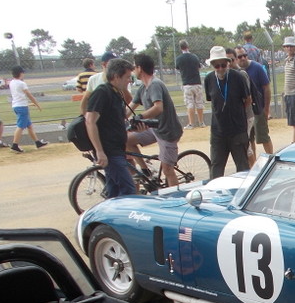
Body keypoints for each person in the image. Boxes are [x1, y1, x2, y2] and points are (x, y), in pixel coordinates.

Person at [84, 58, 137, 198]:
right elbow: (90, 121)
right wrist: (100, 151)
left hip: (117, 149)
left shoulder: (116, 93)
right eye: (127, 77)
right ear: (115, 76)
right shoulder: (102, 92)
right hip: (110, 152)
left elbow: (116, 119)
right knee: (128, 190)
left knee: (114, 191)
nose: (129, 81)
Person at [128, 54, 184, 186]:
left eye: (134, 67)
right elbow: (130, 108)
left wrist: (140, 117)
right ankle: (145, 170)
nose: (133, 70)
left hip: (167, 132)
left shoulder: (155, 85)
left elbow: (158, 107)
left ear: (140, 68)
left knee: (167, 170)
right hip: (155, 129)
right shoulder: (143, 87)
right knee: (127, 140)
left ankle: (177, 201)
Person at [204, 46, 251, 178]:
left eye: (223, 65)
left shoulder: (238, 77)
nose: (220, 69)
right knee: (216, 168)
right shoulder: (209, 79)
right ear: (212, 65)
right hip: (218, 132)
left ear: (228, 63)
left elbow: (247, 99)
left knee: (242, 168)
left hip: (237, 131)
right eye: (216, 66)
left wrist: (238, 115)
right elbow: (212, 100)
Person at [234, 45, 274, 162]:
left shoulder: (257, 68)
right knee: (249, 141)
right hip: (244, 112)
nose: (243, 58)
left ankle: (271, 159)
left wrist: (266, 109)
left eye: (245, 55)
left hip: (257, 109)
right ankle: (253, 166)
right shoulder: (235, 71)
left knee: (263, 136)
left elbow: (266, 88)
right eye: (240, 56)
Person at [8, 66, 47, 153]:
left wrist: (28, 104)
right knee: (20, 126)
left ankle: (37, 142)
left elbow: (18, 96)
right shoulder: (21, 83)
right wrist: (37, 104)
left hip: (16, 105)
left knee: (29, 125)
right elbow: (29, 95)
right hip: (22, 107)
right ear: (20, 73)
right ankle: (15, 145)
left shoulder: (12, 82)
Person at [175, 40, 205, 129]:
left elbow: (178, 68)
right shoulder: (194, 57)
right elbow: (199, 67)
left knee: (190, 103)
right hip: (197, 82)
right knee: (199, 103)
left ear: (181, 48)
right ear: (188, 46)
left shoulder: (179, 58)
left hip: (187, 83)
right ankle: (201, 122)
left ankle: (191, 124)